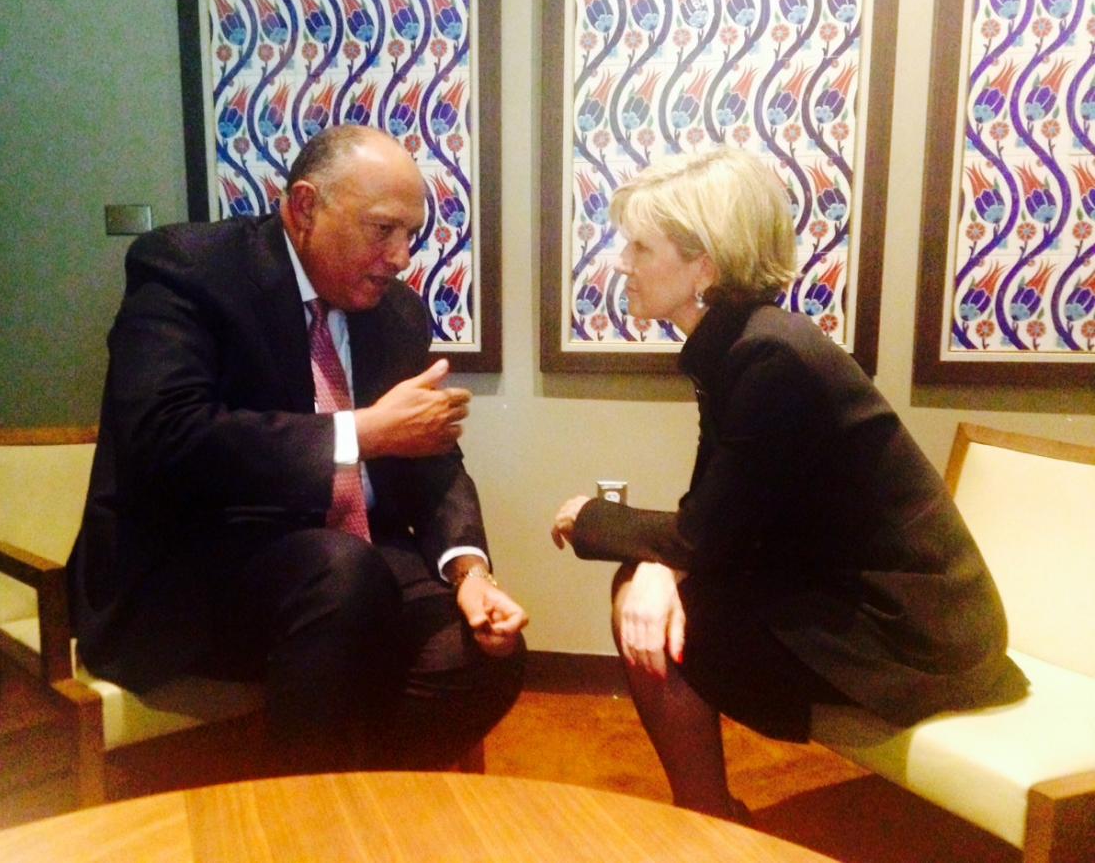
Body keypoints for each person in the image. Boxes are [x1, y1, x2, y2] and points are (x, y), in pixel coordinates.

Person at [550, 147, 1026, 821]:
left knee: (657, 603)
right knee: (647, 584)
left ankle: (706, 818)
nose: (621, 263)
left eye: (639, 246)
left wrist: (587, 515)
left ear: (704, 266)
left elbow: (704, 535)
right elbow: (716, 523)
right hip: (878, 603)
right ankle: (707, 812)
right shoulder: (747, 344)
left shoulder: (767, 357)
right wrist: (667, 561)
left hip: (918, 636)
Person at [69, 125, 527, 771]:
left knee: (486, 650)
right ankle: (304, 824)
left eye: (411, 235)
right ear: (307, 207)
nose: (402, 256)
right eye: (383, 230)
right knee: (342, 575)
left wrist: (469, 570)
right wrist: (362, 432)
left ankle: (350, 800)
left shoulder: (396, 313)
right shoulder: (190, 270)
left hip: (344, 560)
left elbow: (431, 455)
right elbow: (165, 436)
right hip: (193, 569)